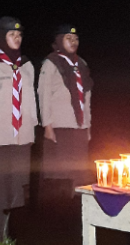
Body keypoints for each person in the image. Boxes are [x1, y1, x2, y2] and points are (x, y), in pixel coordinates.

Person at [0, 17, 37, 240]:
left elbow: (31, 99)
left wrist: (32, 127)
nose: (16, 38)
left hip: (22, 133)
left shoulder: (27, 65)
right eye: (12, 35)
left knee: (20, 183)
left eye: (19, 35)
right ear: (2, 37)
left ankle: (16, 229)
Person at [37, 25, 93, 198]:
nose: (73, 42)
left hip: (79, 126)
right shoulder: (51, 62)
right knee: (59, 172)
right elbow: (44, 94)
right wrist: (47, 125)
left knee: (80, 171)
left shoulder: (81, 64)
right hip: (59, 126)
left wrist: (88, 126)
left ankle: (77, 206)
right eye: (68, 38)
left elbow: (87, 97)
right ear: (59, 40)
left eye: (76, 39)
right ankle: (58, 207)